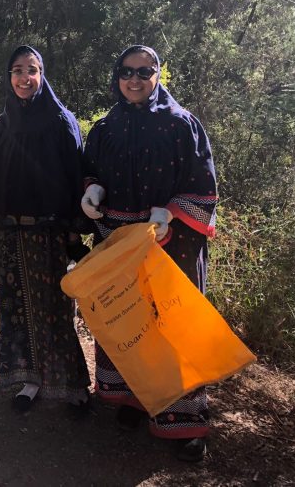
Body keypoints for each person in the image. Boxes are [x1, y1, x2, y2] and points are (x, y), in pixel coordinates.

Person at [80, 45, 218, 462]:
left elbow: (203, 185)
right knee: (127, 321)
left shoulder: (182, 125)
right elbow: (90, 169)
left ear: (158, 74)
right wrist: (91, 190)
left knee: (171, 326)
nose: (134, 79)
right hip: (121, 246)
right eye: (126, 71)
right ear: (116, 76)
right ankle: (135, 401)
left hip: (171, 247)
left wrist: (171, 213)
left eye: (144, 71)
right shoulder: (105, 127)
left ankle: (185, 423)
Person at [0, 46, 91, 412]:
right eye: (17, 70)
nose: (24, 78)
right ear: (8, 76)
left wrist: (74, 233)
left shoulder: (61, 121)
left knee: (56, 310)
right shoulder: (3, 125)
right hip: (13, 232)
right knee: (18, 309)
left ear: (42, 75)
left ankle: (73, 383)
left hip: (50, 233)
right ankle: (29, 380)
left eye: (32, 70)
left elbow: (74, 178)